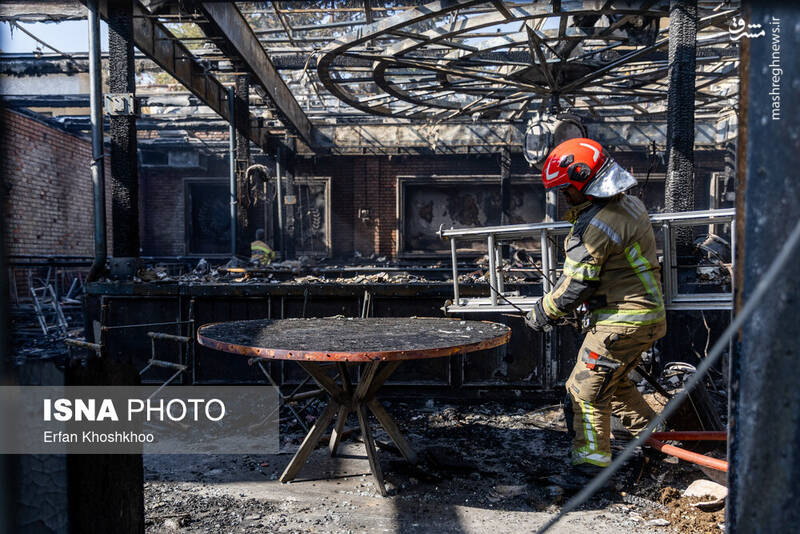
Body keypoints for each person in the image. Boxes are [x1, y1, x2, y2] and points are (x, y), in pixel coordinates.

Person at [526, 138, 666, 486]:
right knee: (614, 387)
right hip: (647, 316)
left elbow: (575, 285)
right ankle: (661, 443)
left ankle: (590, 472)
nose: (564, 198)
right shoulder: (630, 204)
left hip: (623, 320)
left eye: (566, 190)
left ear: (586, 183)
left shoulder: (595, 228)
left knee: (583, 390)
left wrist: (542, 312)